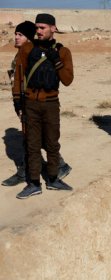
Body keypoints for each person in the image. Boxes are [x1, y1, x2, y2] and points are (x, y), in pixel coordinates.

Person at [2, 20, 72, 187]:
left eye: (21, 35)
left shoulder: (33, 53)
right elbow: (16, 81)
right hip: (26, 103)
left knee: (39, 139)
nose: (16, 38)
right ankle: (28, 171)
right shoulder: (21, 55)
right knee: (32, 139)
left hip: (37, 103)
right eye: (16, 34)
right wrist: (17, 103)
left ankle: (55, 167)